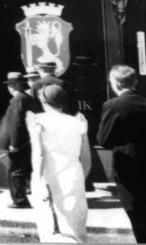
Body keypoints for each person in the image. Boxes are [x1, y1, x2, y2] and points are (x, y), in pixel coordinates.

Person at [97, 65, 146, 244]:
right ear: (135, 81)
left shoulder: (113, 105)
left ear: (114, 83)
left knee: (137, 213)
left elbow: (104, 139)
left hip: (128, 167)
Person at [26, 84, 92, 243]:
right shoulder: (78, 123)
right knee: (76, 232)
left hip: (48, 178)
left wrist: (38, 179)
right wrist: (80, 179)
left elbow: (39, 154)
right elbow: (87, 160)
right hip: (74, 178)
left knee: (51, 231)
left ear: (43, 101)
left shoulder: (38, 121)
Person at [0, 72, 40, 209]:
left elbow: (16, 123)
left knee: (15, 171)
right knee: (19, 170)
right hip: (24, 142)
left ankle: (20, 200)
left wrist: (14, 144)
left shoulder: (18, 99)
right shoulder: (23, 97)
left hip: (19, 143)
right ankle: (21, 199)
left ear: (15, 85)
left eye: (10, 84)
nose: (8, 87)